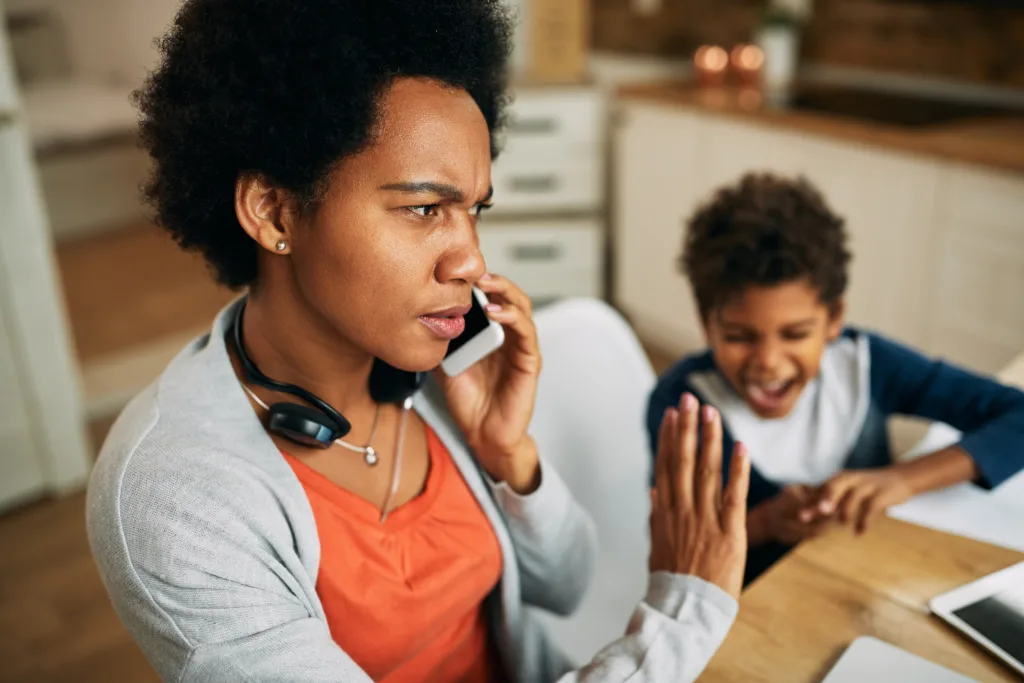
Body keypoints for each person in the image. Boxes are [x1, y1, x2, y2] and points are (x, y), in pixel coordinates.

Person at [85, 2, 751, 681]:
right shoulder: (174, 496)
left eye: (474, 209)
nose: (469, 258)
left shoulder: (431, 376)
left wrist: (508, 458)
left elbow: (567, 585)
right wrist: (682, 617)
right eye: (424, 209)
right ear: (274, 210)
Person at [646, 172, 1024, 584]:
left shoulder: (866, 362)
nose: (769, 362)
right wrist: (770, 522)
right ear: (706, 324)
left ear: (834, 318)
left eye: (795, 334)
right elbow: (674, 543)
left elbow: (1016, 415)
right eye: (739, 337)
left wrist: (902, 479)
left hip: (868, 580)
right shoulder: (681, 405)